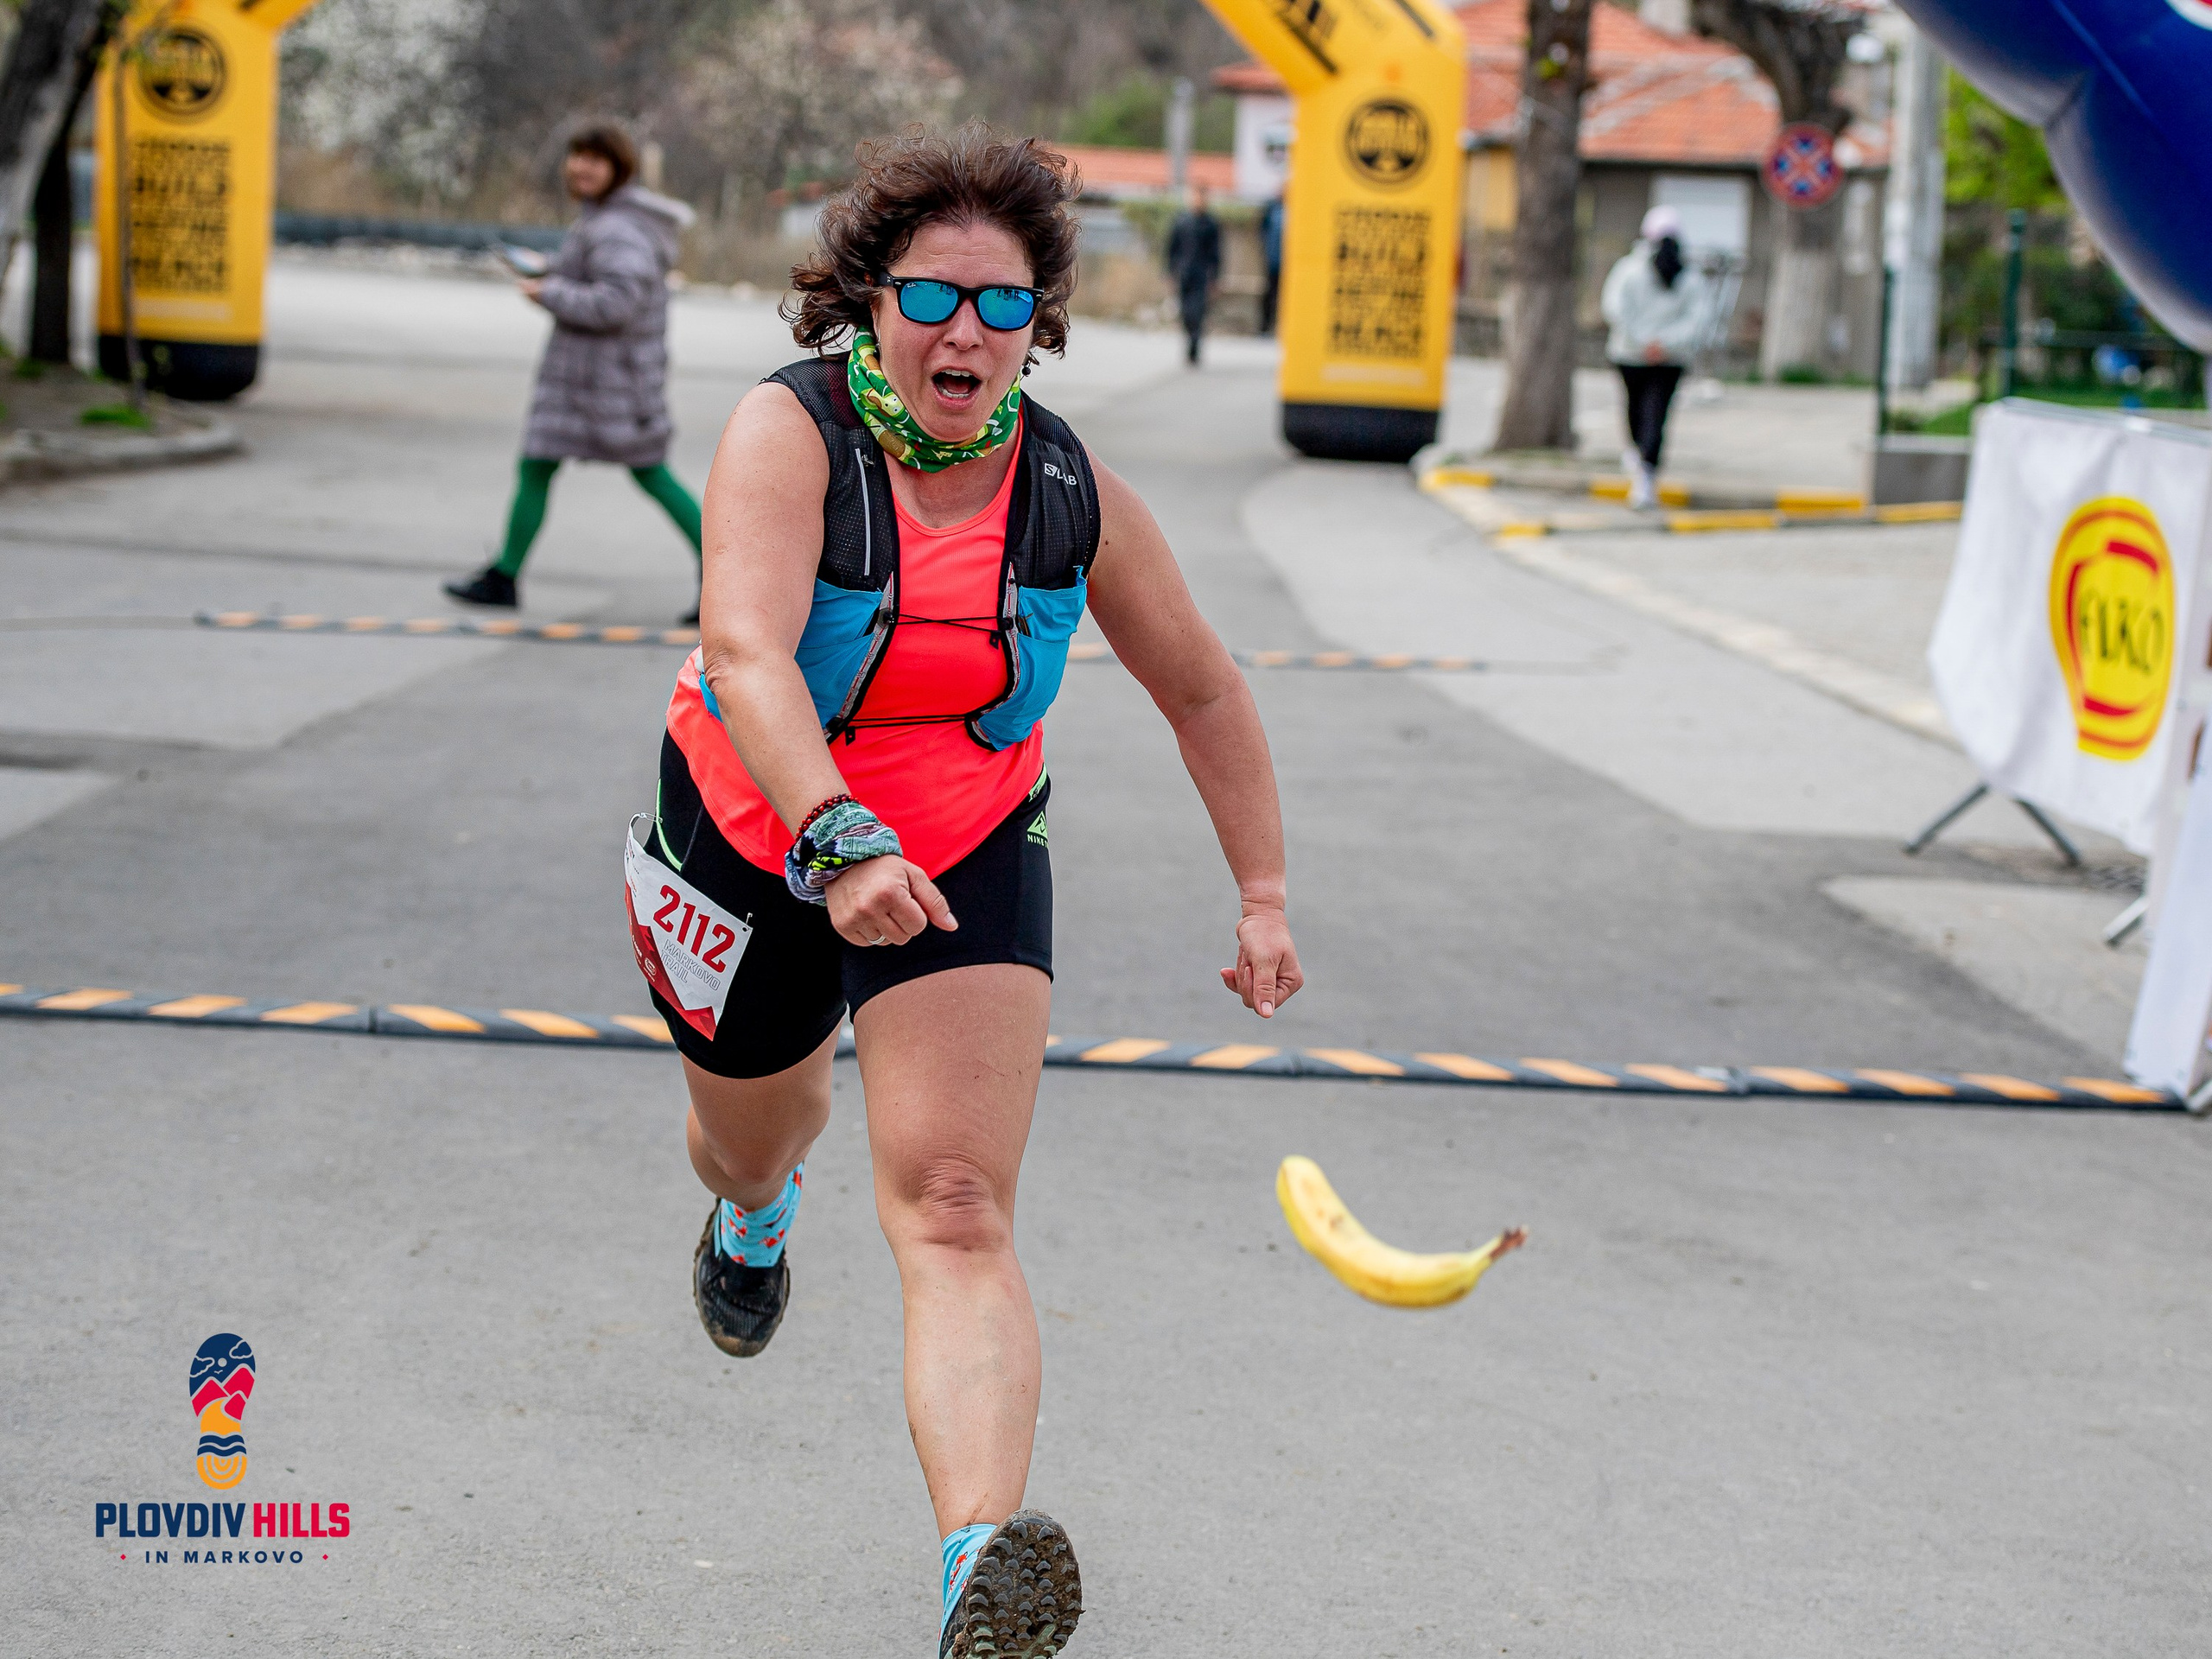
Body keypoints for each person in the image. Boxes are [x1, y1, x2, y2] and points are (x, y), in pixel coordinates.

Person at [631, 126, 1303, 1659]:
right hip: (755, 827)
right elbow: (745, 654)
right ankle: (749, 1216)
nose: (966, 334)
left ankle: (978, 1569)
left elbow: (1201, 691)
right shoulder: (785, 436)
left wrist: (1261, 894)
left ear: (1040, 328)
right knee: (755, 1131)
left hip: (965, 842)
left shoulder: (1073, 488)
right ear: (870, 300)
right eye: (936, 296)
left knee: (955, 1206)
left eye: (1004, 308)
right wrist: (836, 840)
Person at [445, 122, 704, 617]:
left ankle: (725, 579)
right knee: (538, 464)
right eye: (576, 156)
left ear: (618, 168)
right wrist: (551, 270)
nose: (581, 167)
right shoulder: (605, 218)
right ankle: (504, 575)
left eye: (594, 159)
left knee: (651, 473)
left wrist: (548, 293)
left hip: (612, 382)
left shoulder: (617, 227)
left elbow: (616, 302)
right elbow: (604, 278)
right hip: (590, 379)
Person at [1599, 204, 1710, 510]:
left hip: (1630, 355)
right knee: (1655, 414)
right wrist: (1664, 344)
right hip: (1668, 359)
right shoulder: (1690, 277)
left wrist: (1643, 342)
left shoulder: (1627, 270)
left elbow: (1614, 309)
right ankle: (1646, 469)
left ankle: (1641, 463)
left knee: (1636, 410)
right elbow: (1698, 319)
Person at [1164, 181, 1222, 365]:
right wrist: (1169, 272)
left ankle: (1194, 348)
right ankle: (1190, 340)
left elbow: (1216, 253)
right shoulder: (1181, 221)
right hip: (1184, 272)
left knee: (1197, 312)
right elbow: (1172, 249)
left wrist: (1216, 278)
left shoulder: (1211, 224)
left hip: (1202, 275)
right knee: (1186, 312)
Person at [1257, 194, 1284, 336]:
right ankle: (1265, 326)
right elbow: (1262, 230)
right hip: (1273, 260)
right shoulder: (1272, 208)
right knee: (1269, 293)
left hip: (1289, 264)